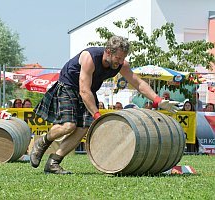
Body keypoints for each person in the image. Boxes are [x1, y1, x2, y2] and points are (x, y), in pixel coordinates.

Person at [29, 35, 179, 174]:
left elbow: (138, 83)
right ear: (108, 51)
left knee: (83, 129)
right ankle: (43, 141)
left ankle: (53, 162)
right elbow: (84, 90)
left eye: (123, 58)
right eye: (118, 58)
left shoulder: (122, 65)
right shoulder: (90, 57)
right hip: (69, 86)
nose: (120, 62)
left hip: (88, 90)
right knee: (69, 125)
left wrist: (158, 100)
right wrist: (97, 115)